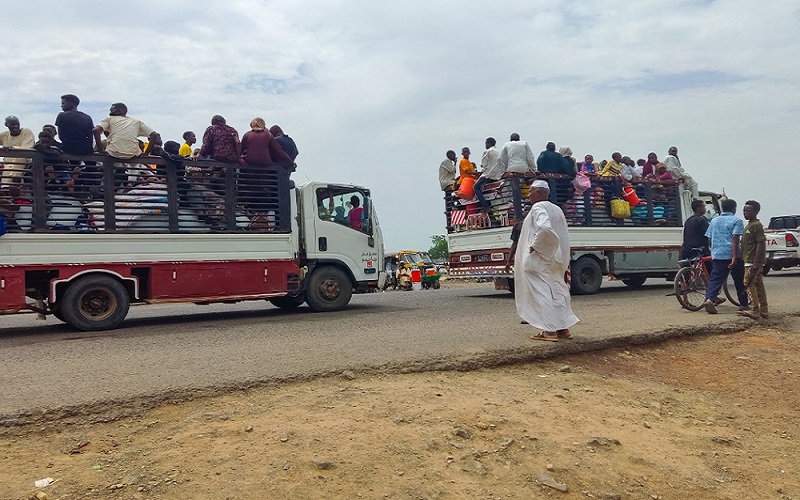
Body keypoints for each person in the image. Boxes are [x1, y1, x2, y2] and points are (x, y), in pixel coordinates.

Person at [512, 180, 579, 341]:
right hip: (555, 256)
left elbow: (544, 228)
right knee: (557, 290)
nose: (528, 194)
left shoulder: (538, 207)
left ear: (539, 193)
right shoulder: (556, 209)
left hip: (540, 257)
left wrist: (535, 247)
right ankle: (563, 328)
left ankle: (549, 331)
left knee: (541, 292)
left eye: (531, 191)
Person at [703, 198, 745, 314]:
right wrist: (734, 256)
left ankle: (710, 299)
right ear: (734, 208)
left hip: (718, 254)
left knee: (715, 279)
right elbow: (735, 238)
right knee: (739, 280)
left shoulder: (714, 221)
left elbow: (709, 238)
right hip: (732, 254)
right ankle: (743, 304)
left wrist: (713, 251)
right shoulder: (736, 221)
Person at [739, 200, 769, 320]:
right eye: (744, 210)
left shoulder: (756, 225)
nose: (745, 213)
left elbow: (761, 243)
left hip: (752, 261)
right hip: (749, 260)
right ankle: (763, 309)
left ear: (756, 211)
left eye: (748, 210)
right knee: (758, 284)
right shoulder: (749, 225)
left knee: (748, 283)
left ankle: (755, 309)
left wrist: (756, 263)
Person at [0, 116, 36, 184]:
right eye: (12, 124)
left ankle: (16, 178)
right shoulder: (5, 135)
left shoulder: (26, 132)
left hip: (24, 162)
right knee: (7, 168)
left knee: (20, 157)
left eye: (17, 124)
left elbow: (27, 148)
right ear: (6, 125)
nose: (15, 126)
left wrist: (11, 148)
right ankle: (6, 188)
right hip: (8, 164)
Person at [474, 138, 501, 215]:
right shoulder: (499, 152)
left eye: (486, 143)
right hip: (497, 175)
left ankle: (486, 207)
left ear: (489, 143)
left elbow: (484, 165)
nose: (485, 145)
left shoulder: (487, 152)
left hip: (488, 175)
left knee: (476, 187)